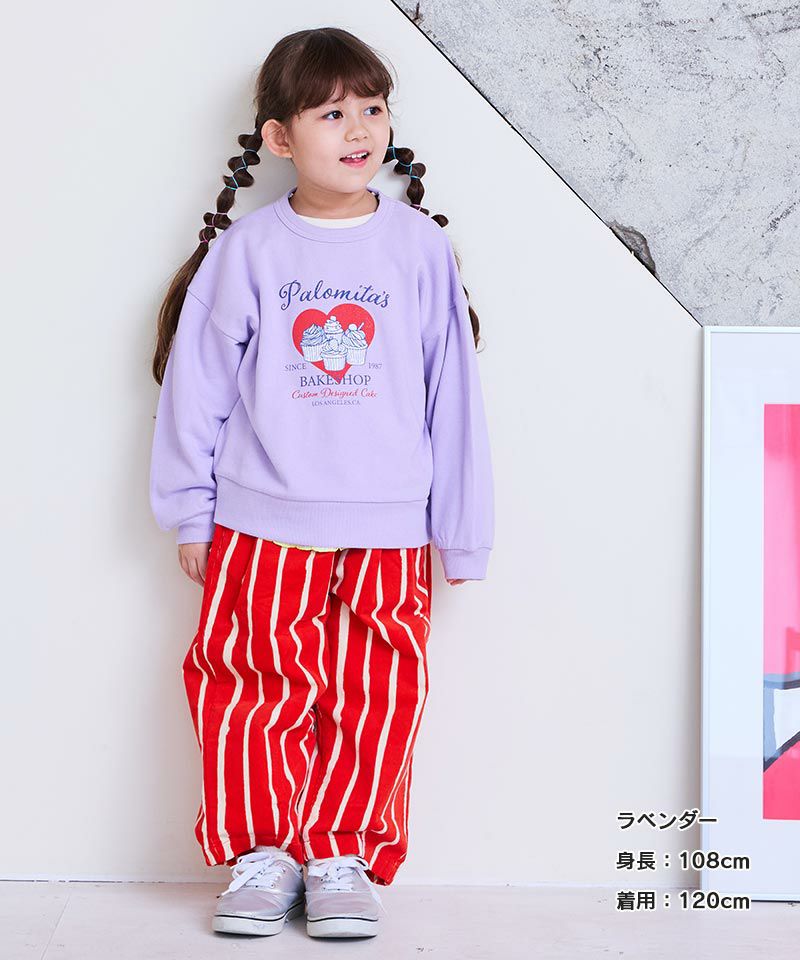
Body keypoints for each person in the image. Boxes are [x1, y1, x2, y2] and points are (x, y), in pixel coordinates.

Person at [148, 26, 494, 940]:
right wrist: (191, 513)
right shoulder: (250, 251)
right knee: (249, 688)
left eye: (373, 108)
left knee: (376, 694)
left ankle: (341, 856)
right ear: (278, 137)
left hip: (389, 529)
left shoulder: (417, 249)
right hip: (260, 523)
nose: (359, 129)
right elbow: (196, 389)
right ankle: (265, 854)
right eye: (331, 113)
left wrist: (461, 531)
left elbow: (453, 396)